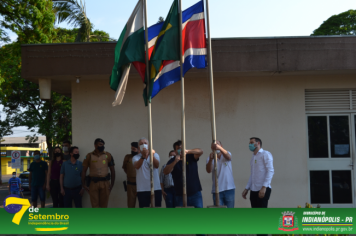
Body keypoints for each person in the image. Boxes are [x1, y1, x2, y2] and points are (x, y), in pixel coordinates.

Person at [242, 137, 274, 236]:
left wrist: (264, 187)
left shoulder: (266, 154)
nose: (249, 145)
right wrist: (247, 188)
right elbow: (253, 175)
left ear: (258, 143)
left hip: (263, 189)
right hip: (254, 190)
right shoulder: (253, 157)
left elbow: (270, 171)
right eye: (249, 143)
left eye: (252, 143)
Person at [164, 140, 204, 208]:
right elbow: (165, 171)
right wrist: (176, 161)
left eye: (182, 148)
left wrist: (187, 151)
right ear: (175, 151)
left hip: (195, 194)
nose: (181, 150)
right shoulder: (173, 160)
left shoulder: (190, 156)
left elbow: (200, 151)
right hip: (180, 195)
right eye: (179, 148)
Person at [82, 138, 116, 208]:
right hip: (93, 183)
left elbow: (112, 170)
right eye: (100, 144)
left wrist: (112, 184)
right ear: (95, 145)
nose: (102, 146)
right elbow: (83, 171)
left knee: (104, 205)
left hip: (105, 183)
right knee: (95, 205)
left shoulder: (108, 155)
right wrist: (84, 185)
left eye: (103, 145)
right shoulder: (89, 156)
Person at [132, 137, 161, 208]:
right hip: (142, 189)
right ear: (139, 147)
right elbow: (137, 166)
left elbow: (156, 165)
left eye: (145, 143)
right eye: (141, 144)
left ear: (149, 145)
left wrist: (152, 155)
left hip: (155, 188)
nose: (143, 145)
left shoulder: (155, 155)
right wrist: (143, 156)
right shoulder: (135, 157)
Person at [206, 140, 236, 208]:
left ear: (221, 146)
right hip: (217, 190)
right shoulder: (209, 157)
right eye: (214, 145)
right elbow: (208, 170)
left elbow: (229, 157)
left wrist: (219, 148)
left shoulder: (227, 153)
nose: (216, 146)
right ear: (211, 147)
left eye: (217, 144)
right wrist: (211, 160)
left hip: (229, 189)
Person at [122, 142, 139, 208]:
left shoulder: (142, 157)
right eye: (132, 149)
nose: (132, 150)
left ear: (138, 149)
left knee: (142, 204)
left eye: (134, 149)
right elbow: (125, 168)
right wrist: (130, 174)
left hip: (141, 185)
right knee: (130, 205)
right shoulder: (128, 157)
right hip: (131, 184)